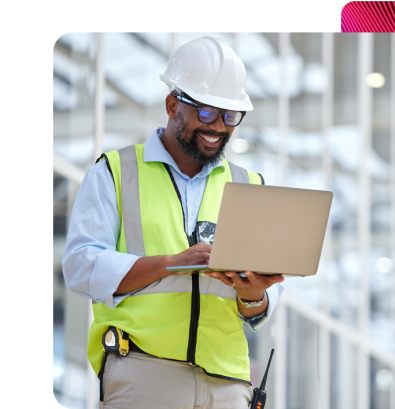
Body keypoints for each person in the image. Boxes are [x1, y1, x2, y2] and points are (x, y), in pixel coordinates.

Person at [62, 36, 285, 409]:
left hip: (228, 381)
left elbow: (259, 304)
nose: (218, 127)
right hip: (144, 370)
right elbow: (80, 265)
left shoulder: (249, 185)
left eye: (230, 116)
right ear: (172, 105)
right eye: (206, 112)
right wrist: (169, 263)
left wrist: (255, 296)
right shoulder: (116, 173)